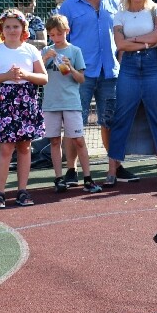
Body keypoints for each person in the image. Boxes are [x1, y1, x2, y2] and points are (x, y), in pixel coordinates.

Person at [58, 0, 120, 185]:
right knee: (75, 122)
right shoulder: (69, 7)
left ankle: (115, 167)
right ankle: (71, 170)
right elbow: (60, 41)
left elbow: (120, 38)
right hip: (81, 75)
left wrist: (119, 61)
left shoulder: (114, 3)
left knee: (110, 122)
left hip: (110, 73)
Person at [106, 0, 157, 186]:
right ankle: (112, 172)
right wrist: (144, 41)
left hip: (154, 66)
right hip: (129, 68)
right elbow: (120, 45)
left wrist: (133, 39)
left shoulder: (155, 9)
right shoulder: (120, 14)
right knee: (121, 116)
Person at [0, 9, 46, 208]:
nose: (11, 30)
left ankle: (22, 190)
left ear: (23, 29)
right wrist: (7, 75)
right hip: (4, 101)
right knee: (6, 148)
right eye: (7, 26)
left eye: (15, 26)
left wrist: (26, 75)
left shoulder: (31, 50)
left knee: (25, 147)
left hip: (26, 101)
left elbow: (43, 78)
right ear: (1, 29)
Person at [42, 14, 102, 195]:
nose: (55, 38)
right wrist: (45, 59)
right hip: (51, 103)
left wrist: (70, 67)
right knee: (54, 140)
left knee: (79, 140)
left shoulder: (75, 51)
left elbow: (81, 79)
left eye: (59, 34)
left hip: (71, 102)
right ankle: (58, 178)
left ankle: (88, 178)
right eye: (52, 35)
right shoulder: (46, 51)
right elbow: (38, 75)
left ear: (67, 31)